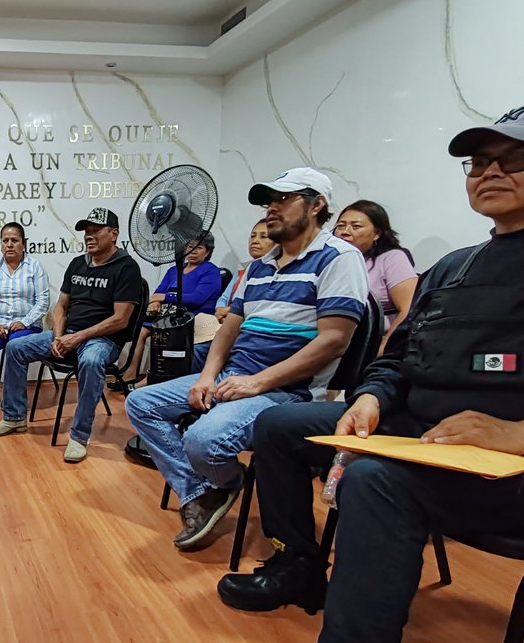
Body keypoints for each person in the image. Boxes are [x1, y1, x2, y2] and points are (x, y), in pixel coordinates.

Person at [225, 101, 524, 643]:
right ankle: (300, 567)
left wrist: (523, 432)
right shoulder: (456, 268)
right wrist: (367, 398)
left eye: (516, 157)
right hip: (430, 440)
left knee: (376, 479)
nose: (490, 172)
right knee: (281, 425)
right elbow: (395, 359)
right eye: (479, 161)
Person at [125, 167, 368, 551]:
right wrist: (208, 376)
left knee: (202, 440)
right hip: (236, 375)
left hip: (287, 391)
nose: (271, 208)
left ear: (317, 204)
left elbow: (334, 341)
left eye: (283, 199)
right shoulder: (258, 266)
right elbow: (228, 330)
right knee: (141, 402)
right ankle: (203, 490)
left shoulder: (339, 258)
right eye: (268, 201)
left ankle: (220, 482)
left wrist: (257, 383)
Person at [0, 207, 142, 463]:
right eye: (86, 232)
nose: (89, 236)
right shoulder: (78, 263)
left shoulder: (126, 268)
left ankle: (79, 436)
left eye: (95, 231)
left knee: (90, 361)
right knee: (16, 348)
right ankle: (14, 417)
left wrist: (77, 338)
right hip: (67, 334)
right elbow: (61, 307)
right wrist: (58, 336)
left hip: (102, 340)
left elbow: (120, 319)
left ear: (113, 234)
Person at [112, 232, 222, 390]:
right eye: (191, 246)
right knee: (141, 331)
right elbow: (158, 292)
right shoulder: (174, 270)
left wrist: (165, 297)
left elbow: (197, 298)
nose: (194, 251)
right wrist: (155, 302)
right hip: (167, 315)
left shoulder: (211, 271)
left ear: (208, 251)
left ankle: (150, 380)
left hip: (193, 318)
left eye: (200, 247)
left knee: (163, 336)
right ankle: (130, 375)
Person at [0, 221, 50, 413]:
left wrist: (24, 322)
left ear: (23, 243)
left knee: (14, 346)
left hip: (27, 325)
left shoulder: (34, 267)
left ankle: (12, 396)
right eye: (5, 240)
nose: (9, 244)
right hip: (0, 325)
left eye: (14, 240)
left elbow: (43, 301)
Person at [333, 200, 418, 347]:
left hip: (376, 345)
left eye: (356, 226)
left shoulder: (391, 258)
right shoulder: (332, 261)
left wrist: (384, 349)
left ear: (377, 234)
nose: (345, 232)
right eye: (340, 226)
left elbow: (410, 308)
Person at [215, 219, 273, 322]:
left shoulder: (275, 272)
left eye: (263, 236)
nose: (254, 241)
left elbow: (258, 305)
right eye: (252, 236)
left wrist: (230, 313)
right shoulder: (243, 268)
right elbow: (224, 298)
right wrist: (220, 310)